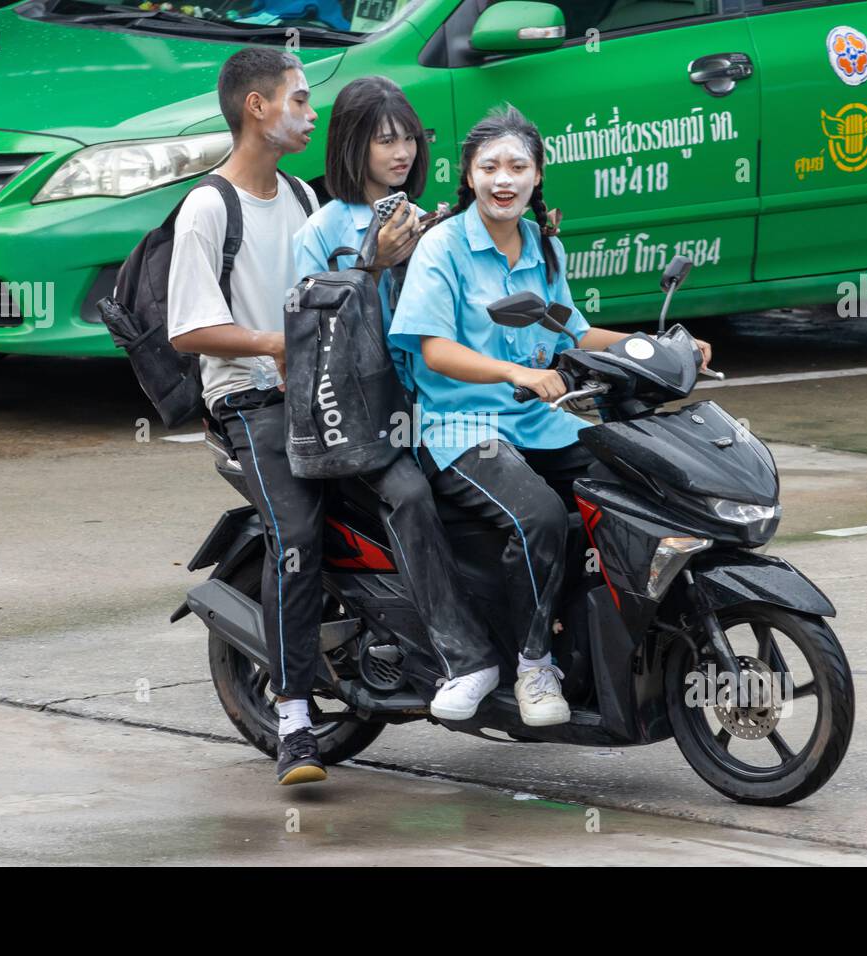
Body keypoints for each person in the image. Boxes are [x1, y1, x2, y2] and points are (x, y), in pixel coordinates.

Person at [389, 105, 712, 726]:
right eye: (489, 167)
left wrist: (658, 344)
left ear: (538, 175)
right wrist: (517, 372)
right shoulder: (444, 246)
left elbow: (572, 329)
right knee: (537, 516)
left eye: (517, 166)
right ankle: (533, 663)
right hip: (463, 429)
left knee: (638, 478)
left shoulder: (543, 243)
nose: (503, 180)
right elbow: (433, 348)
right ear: (469, 175)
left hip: (546, 421)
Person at [292, 76, 501, 723]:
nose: (402, 151)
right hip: (360, 415)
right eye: (385, 140)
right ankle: (465, 656)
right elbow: (312, 336)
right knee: (409, 495)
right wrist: (372, 264)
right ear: (353, 146)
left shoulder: (428, 218)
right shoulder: (324, 229)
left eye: (408, 136)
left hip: (433, 400)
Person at [166, 47, 331, 785]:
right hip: (249, 401)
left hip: (319, 393)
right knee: (297, 532)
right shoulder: (209, 206)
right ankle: (295, 717)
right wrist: (271, 343)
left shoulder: (303, 197)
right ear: (256, 107)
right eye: (299, 100)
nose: (311, 112)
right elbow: (188, 331)